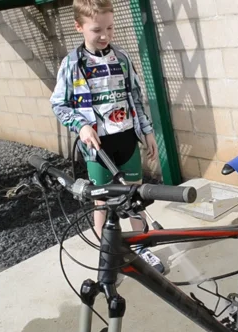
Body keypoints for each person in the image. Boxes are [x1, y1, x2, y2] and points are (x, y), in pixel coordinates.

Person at [50, 0, 164, 273]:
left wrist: (146, 131)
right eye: (96, 29)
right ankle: (108, 253)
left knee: (134, 196)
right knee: (101, 202)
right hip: (97, 147)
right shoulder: (72, 64)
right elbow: (59, 104)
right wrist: (81, 126)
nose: (105, 35)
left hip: (126, 140)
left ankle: (141, 250)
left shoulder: (122, 59)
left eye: (110, 28)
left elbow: (135, 97)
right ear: (79, 27)